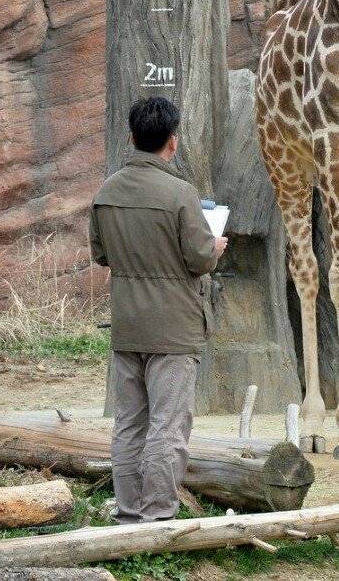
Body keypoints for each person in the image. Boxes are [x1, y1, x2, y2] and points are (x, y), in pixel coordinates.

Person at [89, 97, 228, 524]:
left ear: (131, 137)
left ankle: (128, 514)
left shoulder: (106, 192)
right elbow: (200, 258)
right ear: (173, 142)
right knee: (168, 428)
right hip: (174, 328)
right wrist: (216, 245)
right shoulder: (181, 194)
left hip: (128, 325)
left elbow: (101, 254)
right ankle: (158, 517)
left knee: (129, 425)